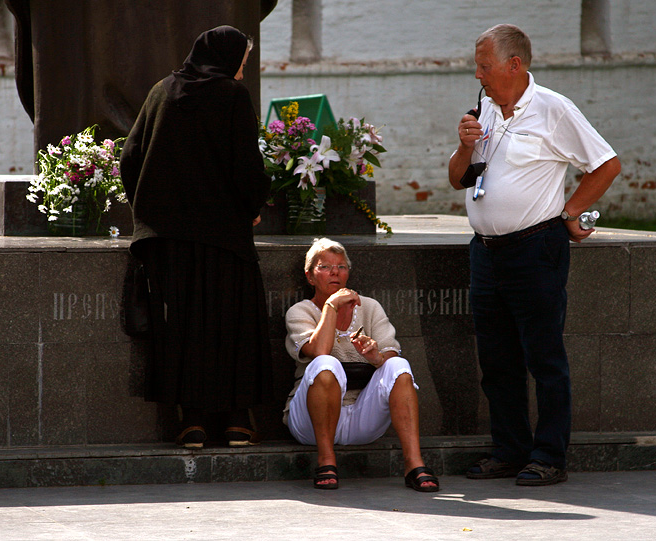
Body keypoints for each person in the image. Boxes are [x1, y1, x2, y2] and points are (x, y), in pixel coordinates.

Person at [448, 24, 621, 486]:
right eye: (478, 65)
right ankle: (509, 450)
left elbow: (606, 163)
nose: (478, 74)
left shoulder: (553, 108)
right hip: (485, 252)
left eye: (484, 66)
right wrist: (465, 146)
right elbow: (457, 178)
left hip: (534, 248)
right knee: (497, 359)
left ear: (514, 65)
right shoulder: (483, 106)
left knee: (544, 357)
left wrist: (573, 211)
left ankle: (549, 455)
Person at [120, 26, 273, 448]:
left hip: (168, 240)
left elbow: (130, 157)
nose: (242, 71)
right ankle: (237, 420)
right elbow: (245, 163)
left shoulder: (161, 91)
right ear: (228, 58)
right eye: (242, 61)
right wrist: (254, 204)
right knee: (231, 323)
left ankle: (193, 423)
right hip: (224, 238)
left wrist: (149, 212)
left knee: (182, 327)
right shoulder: (231, 96)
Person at [284, 238, 440, 492]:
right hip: (310, 424)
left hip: (362, 418)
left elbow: (391, 354)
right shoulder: (300, 312)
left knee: (398, 365)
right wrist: (331, 306)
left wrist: (375, 357)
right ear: (310, 277)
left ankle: (414, 464)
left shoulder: (369, 307)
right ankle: (326, 461)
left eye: (341, 266)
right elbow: (319, 351)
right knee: (326, 362)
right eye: (325, 267)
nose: (335, 272)